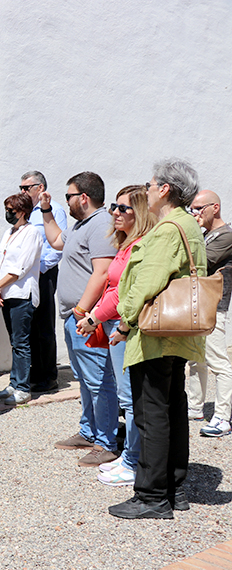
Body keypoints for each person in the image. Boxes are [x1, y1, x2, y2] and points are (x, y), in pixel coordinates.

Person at [107, 159, 205, 520]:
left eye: (150, 185)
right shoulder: (188, 226)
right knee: (172, 409)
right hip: (174, 336)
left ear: (165, 189)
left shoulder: (167, 229)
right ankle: (174, 489)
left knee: (151, 415)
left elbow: (145, 283)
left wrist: (124, 322)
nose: (146, 191)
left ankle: (151, 497)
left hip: (155, 335)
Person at [77, 185, 156, 487]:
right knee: (127, 398)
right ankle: (129, 457)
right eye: (115, 206)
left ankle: (134, 461)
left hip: (127, 328)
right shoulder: (126, 244)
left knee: (130, 399)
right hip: (116, 326)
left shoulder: (139, 246)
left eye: (124, 208)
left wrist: (94, 316)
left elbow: (123, 292)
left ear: (142, 213)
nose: (116, 213)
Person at [40, 172, 119, 467]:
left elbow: (102, 272)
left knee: (99, 380)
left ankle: (106, 442)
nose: (67, 201)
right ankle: (89, 432)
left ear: (83, 197)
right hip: (77, 317)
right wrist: (46, 211)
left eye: (68, 196)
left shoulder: (100, 224)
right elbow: (57, 241)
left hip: (87, 318)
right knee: (85, 380)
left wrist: (81, 311)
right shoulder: (80, 225)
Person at [0, 193, 42, 405]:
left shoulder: (32, 232)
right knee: (13, 342)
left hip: (21, 294)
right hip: (5, 294)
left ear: (23, 211)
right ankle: (13, 383)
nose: (8, 214)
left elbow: (20, 268)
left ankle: (23, 388)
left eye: (12, 210)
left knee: (21, 343)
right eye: (7, 209)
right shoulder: (8, 232)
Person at [185, 190, 232, 436]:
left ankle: (223, 417)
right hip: (199, 306)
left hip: (215, 307)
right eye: (192, 209)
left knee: (218, 363)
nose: (194, 213)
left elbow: (200, 264)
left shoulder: (227, 236)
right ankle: (195, 407)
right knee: (195, 360)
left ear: (215, 207)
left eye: (198, 208)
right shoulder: (207, 235)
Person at [21, 171, 68, 393]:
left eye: (26, 188)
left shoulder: (54, 210)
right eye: (20, 188)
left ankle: (48, 376)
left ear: (40, 188)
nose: (22, 191)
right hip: (26, 274)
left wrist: (38, 269)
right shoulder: (27, 212)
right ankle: (33, 372)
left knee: (44, 325)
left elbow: (57, 245)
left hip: (44, 273)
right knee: (29, 324)